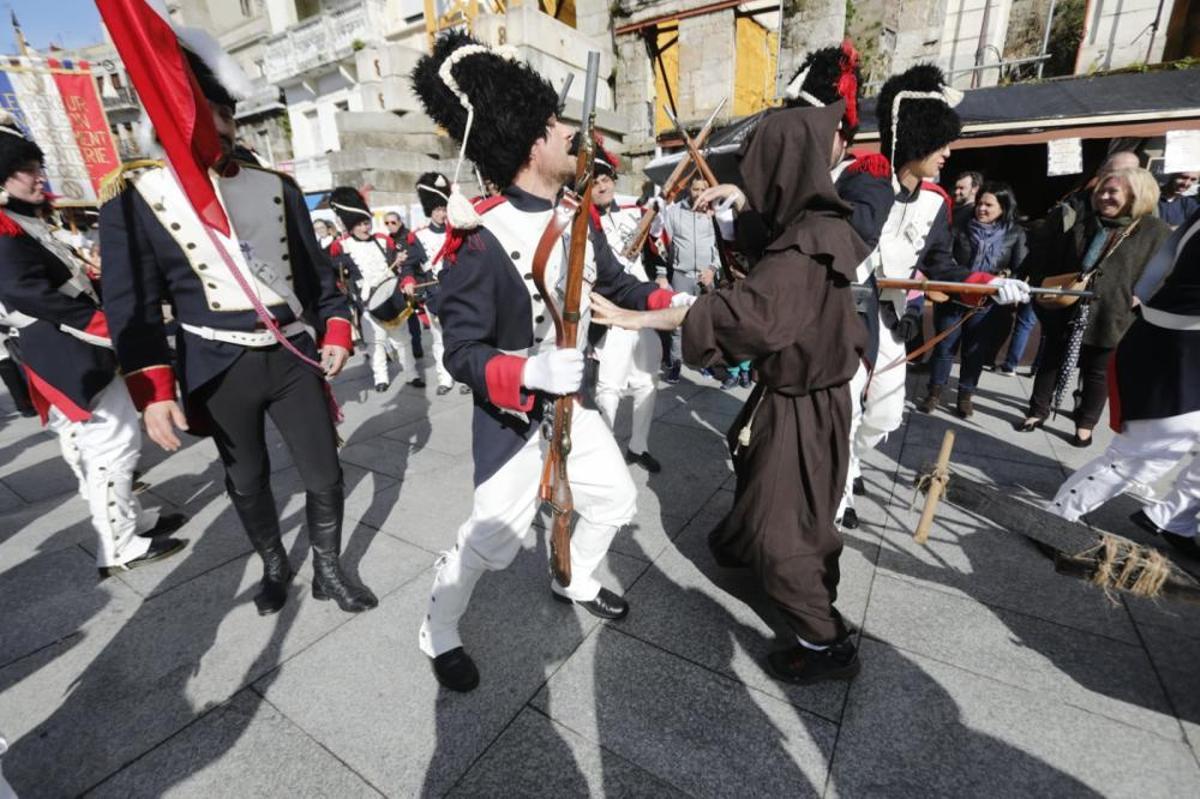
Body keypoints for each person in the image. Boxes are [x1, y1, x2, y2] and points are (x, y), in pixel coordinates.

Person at [409, 31, 679, 692]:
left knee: (615, 499)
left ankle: (573, 576)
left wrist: (686, 302)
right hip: (511, 416)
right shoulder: (481, 235)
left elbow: (622, 286)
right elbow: (462, 353)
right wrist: (527, 373)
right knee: (494, 541)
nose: (568, 135)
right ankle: (437, 626)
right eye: (555, 125)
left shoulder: (574, 212)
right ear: (531, 141)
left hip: (570, 404)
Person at [593, 101, 872, 683]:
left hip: (803, 403)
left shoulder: (805, 245)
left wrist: (636, 318)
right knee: (767, 488)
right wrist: (741, 204)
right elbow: (774, 251)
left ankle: (824, 643)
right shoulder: (816, 227)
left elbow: (747, 319)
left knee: (785, 529)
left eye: (758, 168)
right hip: (804, 396)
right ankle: (751, 556)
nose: (752, 178)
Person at [99, 30, 376, 615]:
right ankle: (276, 565)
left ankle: (327, 566)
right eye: (206, 112)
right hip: (216, 362)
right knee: (247, 479)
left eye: (225, 112)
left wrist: (336, 330)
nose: (220, 125)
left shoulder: (278, 188)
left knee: (324, 472)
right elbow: (134, 308)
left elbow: (319, 280)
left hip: (292, 356)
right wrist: (153, 392)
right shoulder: (136, 196)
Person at [839, 65, 1028, 530]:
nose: (948, 153)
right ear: (917, 137)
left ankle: (854, 462)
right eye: (941, 142)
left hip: (891, 320)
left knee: (883, 416)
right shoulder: (857, 178)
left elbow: (943, 264)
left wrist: (986, 283)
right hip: (844, 316)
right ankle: (838, 490)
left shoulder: (938, 202)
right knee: (841, 412)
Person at [0, 115, 187, 576]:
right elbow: (28, 293)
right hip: (67, 345)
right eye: (25, 168)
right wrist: (104, 323)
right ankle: (119, 545)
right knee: (112, 442)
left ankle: (127, 520)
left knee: (92, 443)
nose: (37, 175)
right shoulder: (4, 231)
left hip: (67, 342)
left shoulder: (20, 223)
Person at [1047, 208, 1200, 556]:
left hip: (1175, 344)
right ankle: (1055, 519)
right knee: (1144, 457)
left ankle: (1176, 518)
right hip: (1175, 351)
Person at [1016, 168, 1171, 446]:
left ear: (1136, 195)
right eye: (1101, 191)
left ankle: (1085, 425)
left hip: (1113, 313)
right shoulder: (1085, 221)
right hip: (1070, 305)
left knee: (1097, 372)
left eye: (1112, 192)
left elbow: (1165, 274)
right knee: (1050, 360)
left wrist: (1143, 296)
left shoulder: (1154, 231)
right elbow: (1058, 259)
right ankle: (1037, 412)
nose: (1103, 197)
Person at [917, 182, 1028, 417]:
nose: (981, 209)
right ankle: (934, 393)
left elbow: (1019, 268)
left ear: (1003, 208)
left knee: (974, 352)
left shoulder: (1015, 234)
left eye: (989, 205)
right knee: (944, 348)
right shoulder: (959, 227)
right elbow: (943, 260)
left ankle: (965, 396)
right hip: (953, 299)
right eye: (979, 203)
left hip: (986, 306)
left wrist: (1004, 278)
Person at [589, 143, 664, 472]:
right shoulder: (584, 222)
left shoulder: (636, 210)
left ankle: (638, 446)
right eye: (594, 181)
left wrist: (659, 216)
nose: (602, 186)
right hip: (611, 312)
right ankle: (603, 455)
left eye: (605, 178)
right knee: (609, 388)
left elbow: (657, 250)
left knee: (647, 382)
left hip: (643, 306)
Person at [328, 186, 424, 392]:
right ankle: (381, 378)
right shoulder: (341, 247)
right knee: (375, 343)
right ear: (350, 227)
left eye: (366, 223)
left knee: (403, 340)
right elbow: (336, 275)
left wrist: (400, 263)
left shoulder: (383, 239)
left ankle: (411, 373)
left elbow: (402, 263)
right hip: (366, 303)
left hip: (392, 297)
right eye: (360, 225)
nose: (365, 228)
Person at [652, 175, 720, 383]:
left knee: (705, 322)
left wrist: (712, 268)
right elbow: (662, 245)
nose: (699, 193)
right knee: (677, 324)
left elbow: (720, 247)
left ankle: (704, 363)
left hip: (705, 277)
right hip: (681, 275)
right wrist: (662, 274)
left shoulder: (713, 213)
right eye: (695, 189)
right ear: (689, 190)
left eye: (703, 189)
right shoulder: (674, 213)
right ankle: (675, 363)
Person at [401, 171, 463, 395]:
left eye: (444, 208)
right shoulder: (418, 236)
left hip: (459, 291)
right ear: (430, 210)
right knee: (439, 339)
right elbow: (409, 266)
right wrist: (408, 281)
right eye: (437, 209)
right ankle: (444, 378)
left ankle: (464, 376)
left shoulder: (459, 231)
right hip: (434, 293)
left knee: (461, 336)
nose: (442, 214)